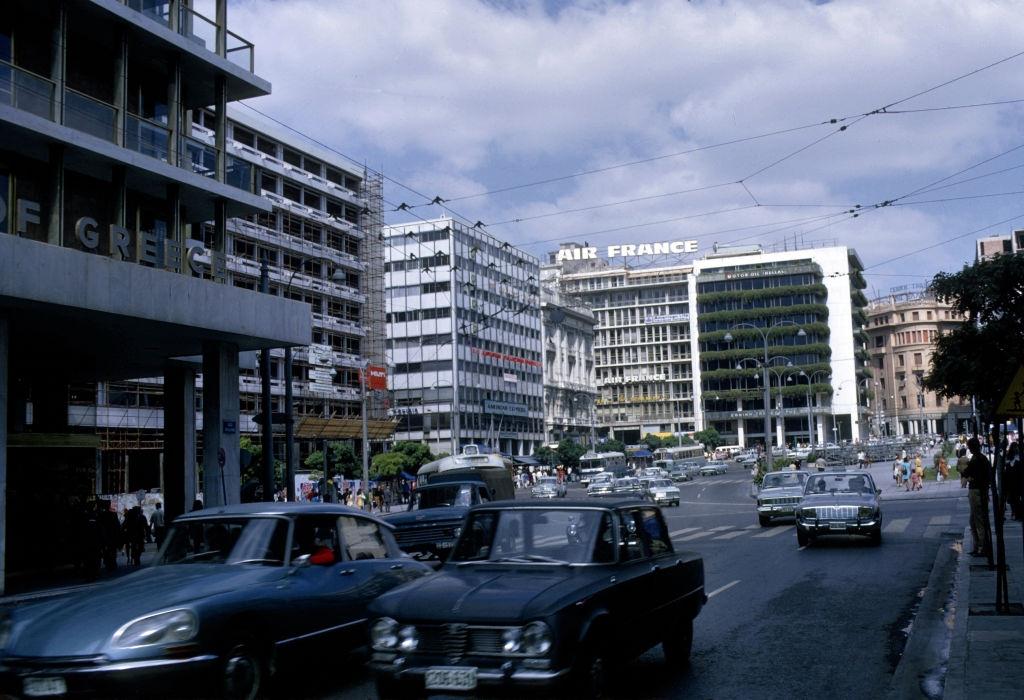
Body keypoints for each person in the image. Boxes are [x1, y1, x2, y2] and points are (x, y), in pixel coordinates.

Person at [961, 437, 992, 557]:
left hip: (977, 491)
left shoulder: (977, 459)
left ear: (973, 447)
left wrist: (966, 473)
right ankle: (978, 545)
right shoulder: (980, 458)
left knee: (978, 521)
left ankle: (982, 547)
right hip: (979, 490)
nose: (968, 448)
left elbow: (966, 472)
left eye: (969, 446)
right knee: (974, 521)